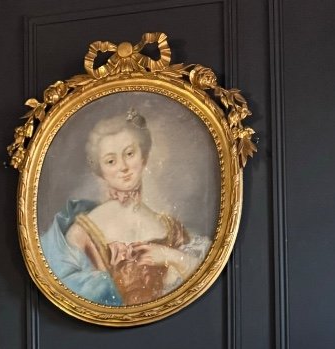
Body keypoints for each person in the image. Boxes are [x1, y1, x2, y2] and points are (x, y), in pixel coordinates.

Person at [40, 108, 210, 306]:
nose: (123, 167)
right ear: (100, 170)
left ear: (143, 157)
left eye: (129, 153)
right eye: (111, 161)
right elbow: (72, 296)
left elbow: (198, 282)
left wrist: (167, 255)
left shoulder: (171, 227)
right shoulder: (83, 231)